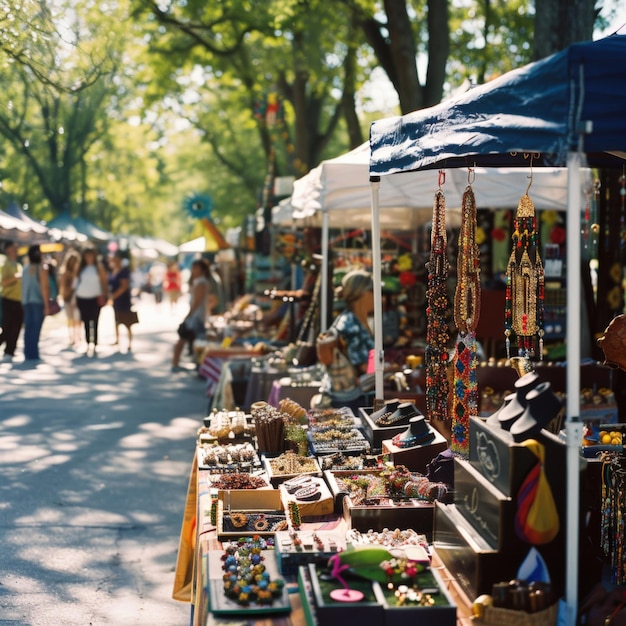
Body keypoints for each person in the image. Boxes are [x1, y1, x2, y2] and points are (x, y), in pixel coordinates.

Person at [326, 269, 375, 412]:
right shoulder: (350, 324)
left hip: (356, 396)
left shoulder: (358, 320)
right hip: (352, 401)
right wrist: (390, 368)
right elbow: (363, 366)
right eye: (374, 291)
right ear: (365, 294)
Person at [172, 258, 210, 371]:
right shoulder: (199, 281)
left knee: (190, 340)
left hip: (196, 317)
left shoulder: (201, 282)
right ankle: (194, 364)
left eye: (196, 268)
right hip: (197, 316)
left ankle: (179, 363)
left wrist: (188, 315)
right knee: (194, 341)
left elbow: (197, 302)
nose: (193, 270)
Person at [75, 246, 108, 355]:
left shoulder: (98, 268)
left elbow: (104, 282)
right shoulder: (80, 268)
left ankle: (95, 343)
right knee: (86, 321)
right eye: (87, 256)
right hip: (82, 298)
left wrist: (105, 295)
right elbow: (75, 283)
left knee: (95, 321)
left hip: (95, 298)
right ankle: (88, 342)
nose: (89, 258)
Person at [21, 244, 50, 361]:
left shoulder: (25, 268)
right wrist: (47, 305)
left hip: (26, 301)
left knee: (28, 328)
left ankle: (28, 353)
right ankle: (33, 354)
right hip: (37, 301)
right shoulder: (41, 268)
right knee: (36, 328)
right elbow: (44, 287)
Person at [108, 251, 137, 352]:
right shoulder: (113, 271)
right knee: (117, 321)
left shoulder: (124, 271)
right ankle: (117, 340)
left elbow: (124, 286)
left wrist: (113, 296)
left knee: (127, 322)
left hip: (123, 300)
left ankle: (129, 342)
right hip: (116, 301)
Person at [0, 241, 23, 359]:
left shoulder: (18, 264)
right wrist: (16, 277)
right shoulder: (6, 264)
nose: (16, 248)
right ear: (8, 249)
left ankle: (10, 351)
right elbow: (3, 282)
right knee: (7, 326)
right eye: (14, 247)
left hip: (19, 300)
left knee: (16, 326)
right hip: (8, 299)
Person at [58, 249, 81, 346]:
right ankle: (71, 337)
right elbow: (63, 287)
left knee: (78, 318)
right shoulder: (65, 273)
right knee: (70, 319)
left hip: (78, 298)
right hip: (68, 298)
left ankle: (78, 336)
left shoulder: (79, 273)